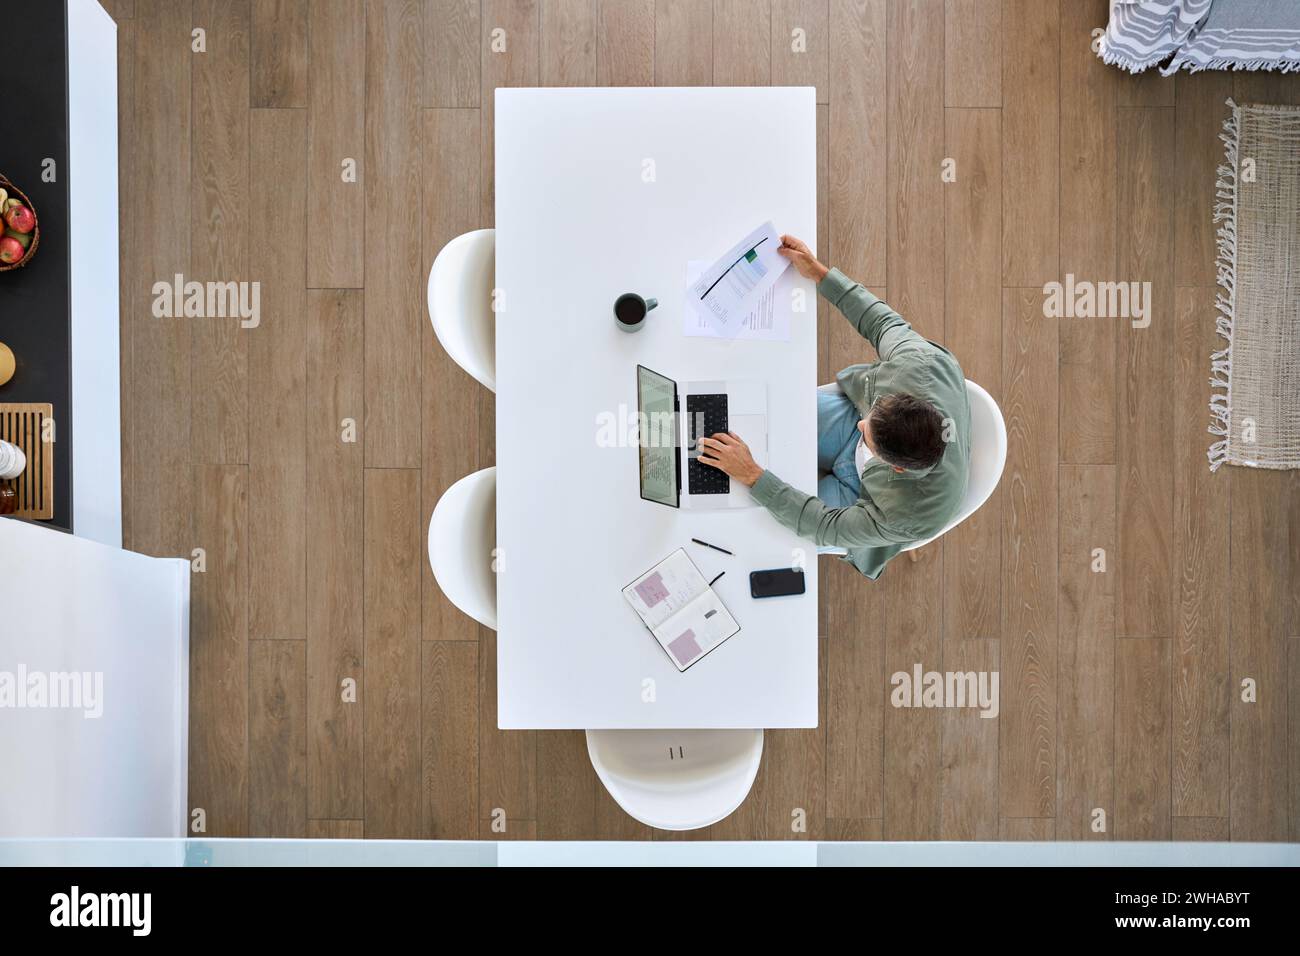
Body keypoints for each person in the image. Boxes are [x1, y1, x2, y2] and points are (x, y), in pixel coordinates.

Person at [697, 235, 970, 579]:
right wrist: (820, 274)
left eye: (868, 434)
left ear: (895, 469)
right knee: (757, 416)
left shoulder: (909, 515)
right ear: (905, 397)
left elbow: (823, 525)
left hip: (862, 497)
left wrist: (753, 474)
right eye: (873, 416)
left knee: (759, 518)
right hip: (853, 430)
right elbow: (881, 322)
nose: (862, 426)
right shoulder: (920, 365)